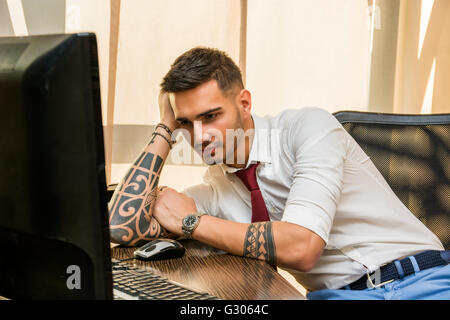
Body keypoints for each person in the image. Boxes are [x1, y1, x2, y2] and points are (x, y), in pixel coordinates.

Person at [108, 47, 449, 300]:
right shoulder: (217, 188)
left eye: (211, 116)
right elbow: (120, 226)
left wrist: (193, 222)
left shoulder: (308, 128)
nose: (199, 136)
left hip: (422, 281)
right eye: (186, 122)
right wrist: (165, 128)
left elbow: (302, 248)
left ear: (244, 103)